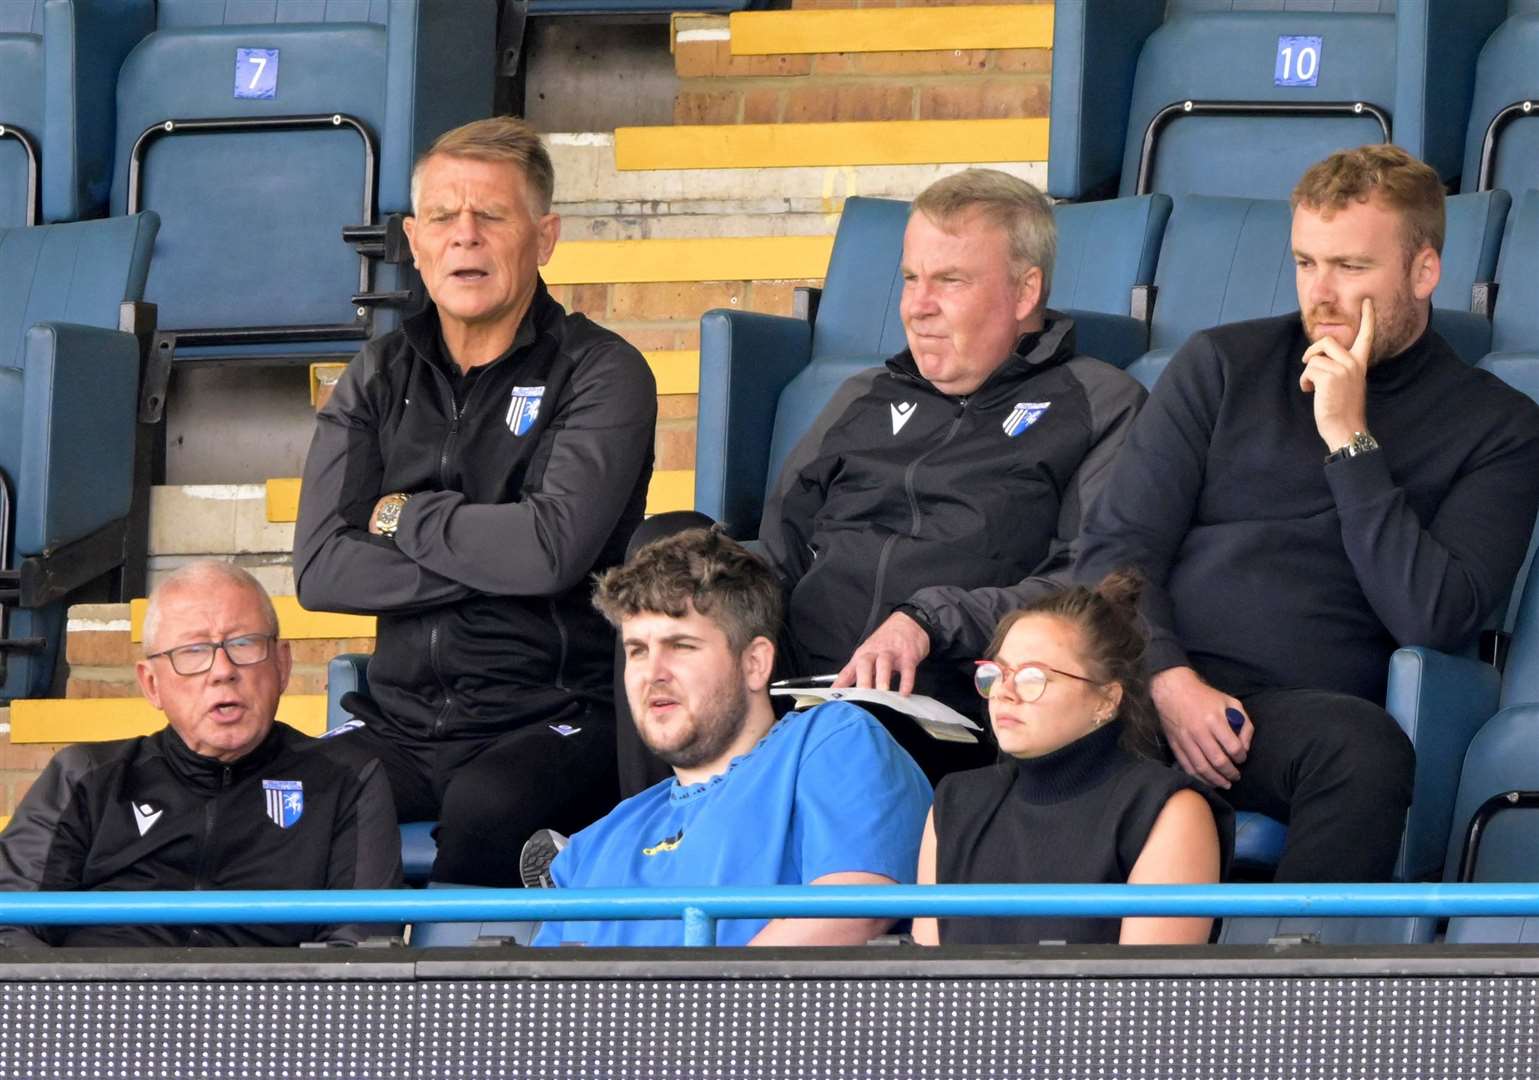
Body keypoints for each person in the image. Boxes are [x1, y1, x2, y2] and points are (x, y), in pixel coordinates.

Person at [1075, 144, 1539, 882]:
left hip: (1297, 717)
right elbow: (1117, 551)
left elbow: (1436, 616)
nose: (1319, 294)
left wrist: (1349, 441)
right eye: (1304, 263)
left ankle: (1300, 987)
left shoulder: (1496, 427)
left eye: (1351, 268)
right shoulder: (1221, 364)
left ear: (1423, 273)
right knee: (1014, 697)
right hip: (1150, 687)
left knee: (1362, 752)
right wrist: (1168, 680)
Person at [619, 169, 1146, 795]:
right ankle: (647, 833)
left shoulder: (1099, 403)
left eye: (950, 281)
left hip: (951, 695)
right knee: (664, 566)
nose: (918, 307)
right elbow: (779, 555)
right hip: (804, 678)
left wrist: (928, 619)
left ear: (1025, 291)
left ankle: (659, 852)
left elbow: (1088, 587)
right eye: (911, 279)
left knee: (834, 741)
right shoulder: (863, 396)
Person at [293, 117, 657, 885]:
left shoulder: (603, 371)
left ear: (544, 236)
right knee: (281, 801)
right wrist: (501, 554)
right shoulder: (377, 373)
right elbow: (321, 570)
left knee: (488, 809)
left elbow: (550, 552)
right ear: (413, 241)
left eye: (491, 216)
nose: (465, 237)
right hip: (397, 723)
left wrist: (401, 518)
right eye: (442, 218)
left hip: (552, 717)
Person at [533, 528, 932, 948]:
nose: (653, 674)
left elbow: (855, 906)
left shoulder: (831, 740)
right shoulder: (593, 846)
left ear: (756, 662)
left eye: (681, 646)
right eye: (637, 651)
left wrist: (687, 1009)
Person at [0, 562, 402, 948]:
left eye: (243, 644)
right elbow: (10, 929)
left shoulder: (347, 781)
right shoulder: (85, 777)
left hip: (270, 1011)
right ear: (151, 684)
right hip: (100, 1008)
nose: (222, 670)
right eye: (193, 651)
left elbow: (360, 947)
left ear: (282, 665)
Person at [913, 572, 1231, 946]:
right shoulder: (956, 801)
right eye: (996, 672)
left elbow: (1147, 993)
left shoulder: (1167, 808)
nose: (1004, 692)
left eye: (1034, 677)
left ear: (1107, 700)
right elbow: (927, 982)